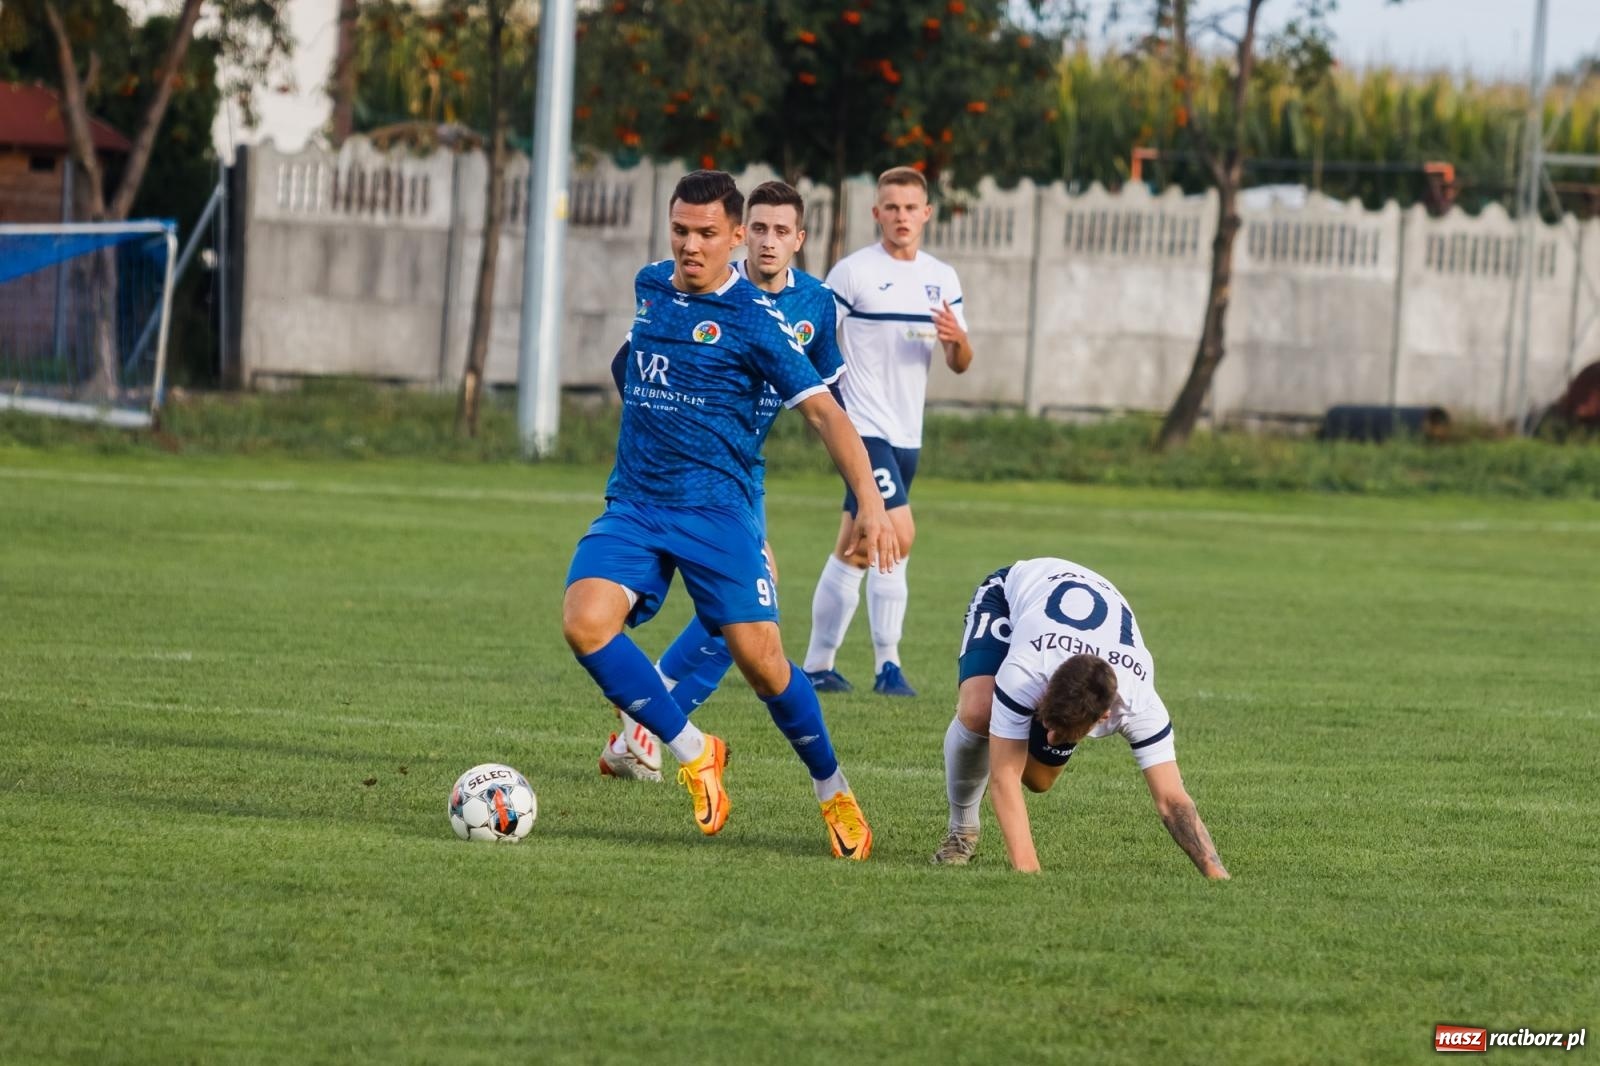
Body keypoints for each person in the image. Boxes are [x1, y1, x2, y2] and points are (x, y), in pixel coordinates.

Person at [562, 170, 894, 859]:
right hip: (636, 502)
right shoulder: (650, 284)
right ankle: (694, 749)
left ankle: (832, 788)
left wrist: (870, 501)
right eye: (680, 230)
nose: (690, 245)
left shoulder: (757, 320)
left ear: (734, 237)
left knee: (764, 665)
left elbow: (827, 415)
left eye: (707, 233)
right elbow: (637, 366)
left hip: (718, 511)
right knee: (585, 623)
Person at [598, 179, 846, 781]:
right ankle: (650, 731)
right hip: (682, 480)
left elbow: (830, 402)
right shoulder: (691, 288)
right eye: (758, 228)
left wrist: (866, 488)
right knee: (743, 609)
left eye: (780, 231)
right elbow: (627, 361)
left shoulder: (813, 305)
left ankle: (645, 728)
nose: (767, 241)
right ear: (742, 235)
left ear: (798, 240)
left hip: (739, 472)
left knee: (742, 609)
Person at [931, 558, 1230, 878]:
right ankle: (961, 832)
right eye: (1046, 721)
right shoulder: (1026, 672)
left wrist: (1217, 876)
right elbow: (1004, 778)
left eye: (1058, 731)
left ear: (1104, 717)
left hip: (1077, 627)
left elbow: (1173, 800)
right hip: (1009, 596)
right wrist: (1029, 874)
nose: (1049, 736)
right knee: (979, 712)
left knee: (1039, 780)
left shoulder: (1139, 703)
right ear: (1045, 689)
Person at [802, 165, 974, 698]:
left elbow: (962, 361)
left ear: (926, 213)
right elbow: (814, 339)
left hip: (907, 434)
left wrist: (955, 339)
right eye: (891, 207)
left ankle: (816, 665)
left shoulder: (941, 277)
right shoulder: (852, 273)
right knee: (897, 534)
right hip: (862, 428)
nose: (901, 217)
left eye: (910, 208)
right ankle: (888, 666)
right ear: (876, 213)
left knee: (857, 546)